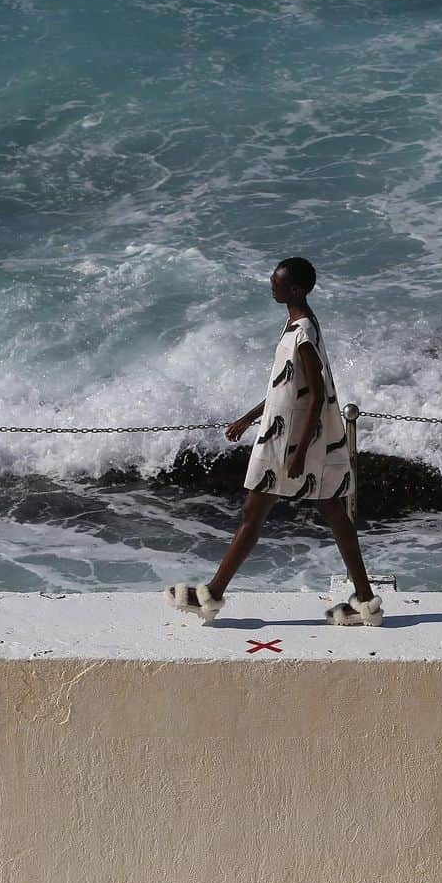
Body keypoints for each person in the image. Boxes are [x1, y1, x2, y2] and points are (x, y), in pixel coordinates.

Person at [163, 257, 383, 626]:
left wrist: (297, 451)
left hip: (291, 441)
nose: (272, 286)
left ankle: (212, 595)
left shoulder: (304, 333)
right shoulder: (296, 324)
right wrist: (250, 418)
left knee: (256, 512)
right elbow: (288, 385)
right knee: (329, 512)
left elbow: (316, 394)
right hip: (287, 434)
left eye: (277, 282)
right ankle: (365, 601)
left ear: (294, 289)